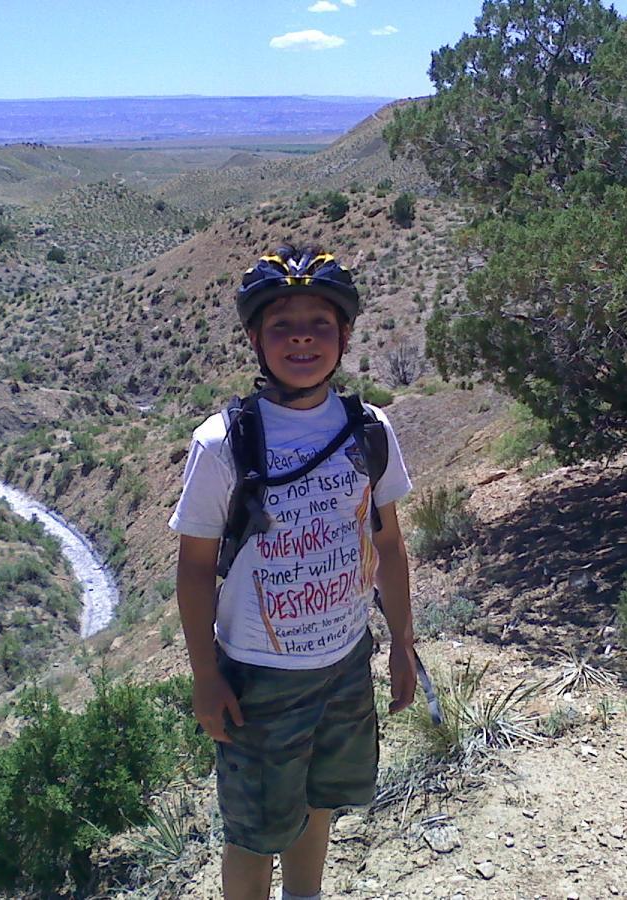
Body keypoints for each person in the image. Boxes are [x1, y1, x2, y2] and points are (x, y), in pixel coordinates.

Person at [170, 244, 417, 900]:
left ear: (345, 335)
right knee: (254, 831)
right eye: (281, 324)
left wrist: (401, 647)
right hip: (259, 678)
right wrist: (205, 675)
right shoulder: (224, 444)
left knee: (320, 800)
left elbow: (388, 545)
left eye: (320, 323)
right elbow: (195, 570)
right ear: (254, 337)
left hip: (345, 659)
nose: (301, 337)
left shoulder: (369, 430)